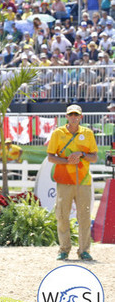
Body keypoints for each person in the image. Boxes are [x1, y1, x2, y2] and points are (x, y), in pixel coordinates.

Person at [47, 104, 98, 261]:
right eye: (71, 115)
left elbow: (94, 157)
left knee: (84, 216)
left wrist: (82, 154)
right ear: (66, 116)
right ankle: (64, 249)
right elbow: (50, 157)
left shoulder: (88, 133)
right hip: (64, 181)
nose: (74, 117)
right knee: (62, 215)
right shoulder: (58, 133)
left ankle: (84, 250)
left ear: (81, 117)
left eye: (77, 115)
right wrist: (66, 161)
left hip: (83, 181)